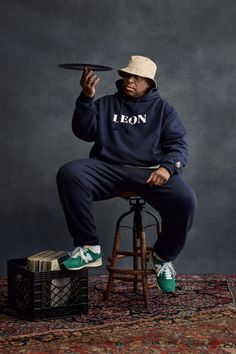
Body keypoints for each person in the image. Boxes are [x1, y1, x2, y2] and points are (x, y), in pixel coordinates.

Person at [57, 55, 197, 294]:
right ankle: (88, 247)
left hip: (148, 172)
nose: (129, 80)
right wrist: (86, 98)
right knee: (70, 173)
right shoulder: (105, 104)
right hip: (108, 168)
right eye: (127, 75)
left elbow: (178, 145)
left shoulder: (164, 110)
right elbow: (83, 131)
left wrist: (167, 167)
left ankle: (163, 256)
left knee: (186, 201)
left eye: (137, 77)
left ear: (149, 83)